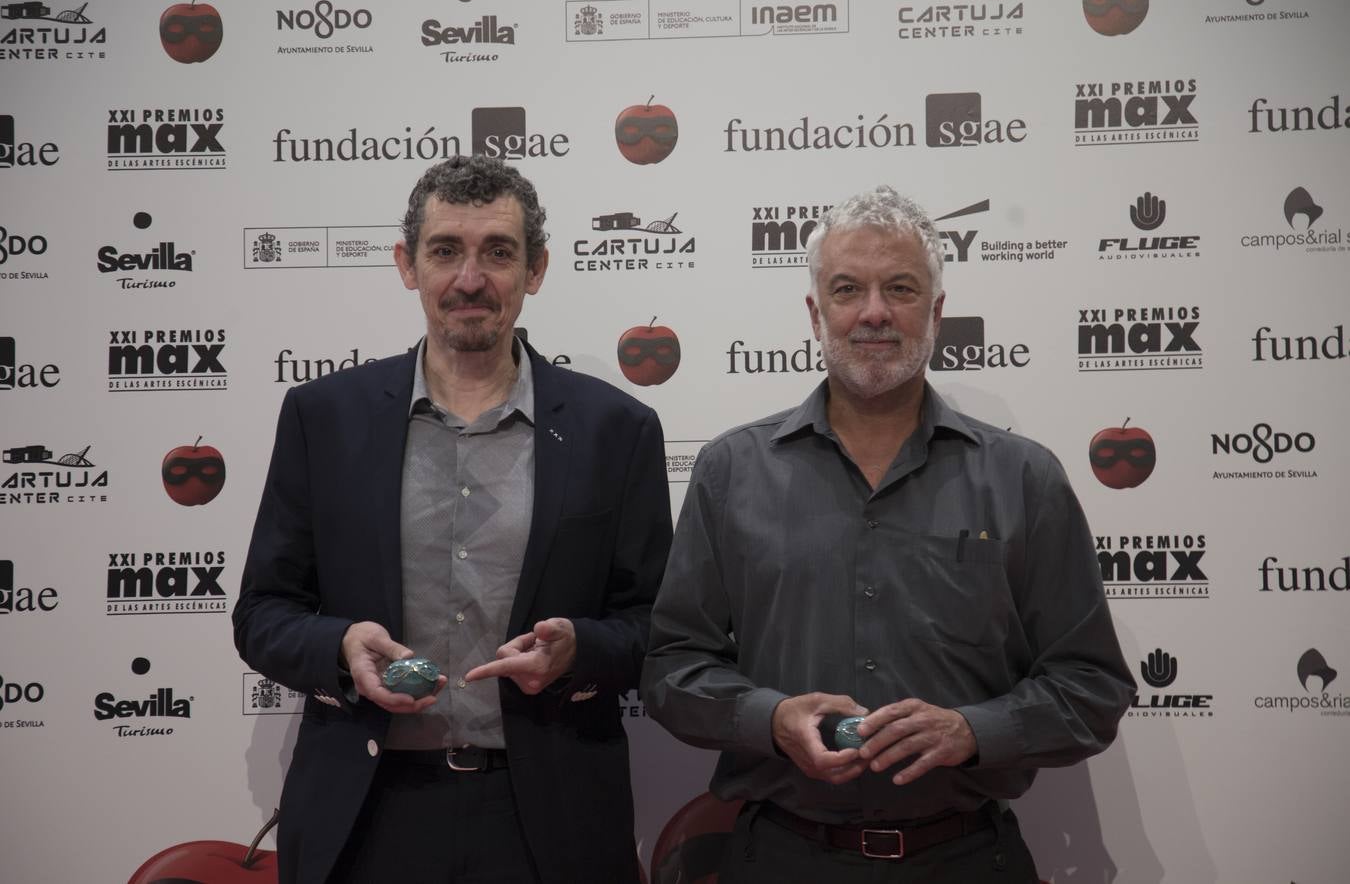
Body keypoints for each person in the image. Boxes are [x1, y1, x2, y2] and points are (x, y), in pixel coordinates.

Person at [641, 186, 1135, 883]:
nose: (874, 312)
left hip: (968, 860)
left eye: (900, 288)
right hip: (782, 858)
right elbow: (670, 672)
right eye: (848, 289)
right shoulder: (731, 470)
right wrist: (771, 719)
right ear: (816, 312)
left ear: (936, 311)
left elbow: (1092, 687)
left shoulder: (1024, 477)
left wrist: (973, 731)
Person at [234, 155, 672, 884]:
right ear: (408, 265)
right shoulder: (323, 418)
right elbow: (261, 614)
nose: (470, 279)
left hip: (550, 820)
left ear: (536, 270)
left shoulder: (616, 430)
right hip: (366, 816)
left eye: (498, 252)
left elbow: (656, 625)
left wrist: (579, 650)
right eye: (445, 251)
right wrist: (341, 646)